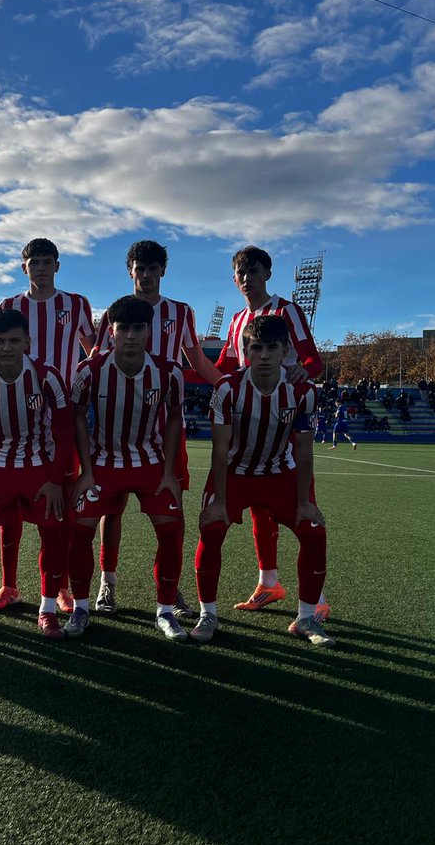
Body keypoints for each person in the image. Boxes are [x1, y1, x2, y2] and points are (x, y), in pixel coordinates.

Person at [90, 240, 222, 621]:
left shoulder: (180, 312)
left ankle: (169, 585)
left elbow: (195, 358)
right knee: (110, 511)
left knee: (170, 508)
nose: (145, 275)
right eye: (139, 268)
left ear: (162, 271)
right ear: (130, 271)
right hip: (115, 429)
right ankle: (107, 582)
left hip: (164, 429)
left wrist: (229, 387)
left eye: (152, 268)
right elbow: (97, 359)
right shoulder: (115, 314)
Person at [195, 314, 333, 646]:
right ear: (245, 350)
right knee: (212, 528)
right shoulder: (227, 388)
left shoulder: (303, 392)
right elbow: (220, 448)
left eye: (273, 348)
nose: (265, 355)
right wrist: (220, 502)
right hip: (234, 472)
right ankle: (207, 614)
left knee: (314, 532)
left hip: (279, 472)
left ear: (286, 350)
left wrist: (304, 502)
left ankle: (306, 618)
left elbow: (303, 451)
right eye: (257, 348)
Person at [215, 245, 327, 619]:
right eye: (241, 272)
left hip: (285, 426)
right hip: (248, 428)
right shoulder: (236, 321)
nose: (248, 278)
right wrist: (172, 368)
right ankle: (269, 583)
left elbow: (313, 359)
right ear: (235, 279)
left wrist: (303, 373)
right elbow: (222, 368)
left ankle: (318, 600)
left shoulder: (286, 310)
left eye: (255, 270)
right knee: (260, 511)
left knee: (301, 505)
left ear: (267, 274)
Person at [68, 295, 187, 641]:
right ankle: (80, 606)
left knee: (171, 529)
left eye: (138, 328)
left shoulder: (168, 371)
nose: (131, 335)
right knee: (81, 529)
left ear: (149, 331)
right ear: (111, 333)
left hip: (150, 463)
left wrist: (169, 471)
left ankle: (165, 610)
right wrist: (86, 471)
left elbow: (175, 418)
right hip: (103, 463)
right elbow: (76, 416)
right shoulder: (89, 370)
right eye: (124, 328)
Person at [0, 308, 74, 639]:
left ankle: (47, 611)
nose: (6, 347)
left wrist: (54, 479)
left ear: (27, 342)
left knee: (52, 533)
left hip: (40, 462)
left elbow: (65, 431)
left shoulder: (47, 376)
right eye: (0, 340)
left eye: (14, 341)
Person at [0, 238, 96, 612]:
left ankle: (62, 586)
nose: (40, 267)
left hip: (61, 413)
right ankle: (9, 585)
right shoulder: (9, 306)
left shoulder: (76, 304)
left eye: (46, 261)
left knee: (60, 501)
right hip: (14, 411)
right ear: (24, 268)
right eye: (33, 261)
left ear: (57, 265)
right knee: (13, 502)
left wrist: (82, 384)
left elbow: (93, 349)